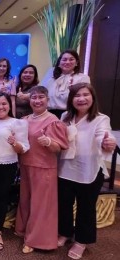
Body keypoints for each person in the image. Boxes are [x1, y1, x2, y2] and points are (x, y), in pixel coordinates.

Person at [58, 83, 117, 259]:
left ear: (92, 98)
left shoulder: (101, 119)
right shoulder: (65, 117)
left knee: (86, 208)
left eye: (85, 95)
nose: (81, 99)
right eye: (77, 95)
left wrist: (108, 143)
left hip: (88, 170)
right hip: (66, 168)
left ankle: (81, 241)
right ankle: (65, 232)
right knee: (64, 204)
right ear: (71, 99)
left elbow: (103, 135)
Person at [15, 86, 68, 253]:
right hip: (25, 165)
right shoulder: (25, 119)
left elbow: (59, 147)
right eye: (34, 98)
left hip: (44, 168)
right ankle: (23, 230)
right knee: (25, 200)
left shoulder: (53, 121)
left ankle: (35, 240)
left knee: (41, 205)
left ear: (47, 100)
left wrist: (49, 142)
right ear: (29, 100)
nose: (37, 101)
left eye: (40, 97)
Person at [0, 92, 30, 251]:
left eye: (4, 104)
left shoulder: (18, 123)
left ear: (10, 105)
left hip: (7, 166)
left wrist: (15, 143)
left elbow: (23, 149)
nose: (0, 107)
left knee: (2, 198)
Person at [41, 49, 90, 119]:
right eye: (64, 59)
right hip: (48, 114)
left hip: (70, 114)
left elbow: (82, 99)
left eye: (71, 59)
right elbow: (41, 91)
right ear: (59, 62)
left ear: (76, 62)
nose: (67, 62)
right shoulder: (51, 74)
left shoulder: (83, 78)